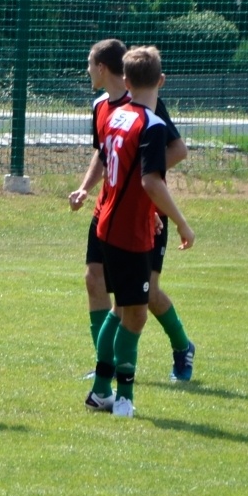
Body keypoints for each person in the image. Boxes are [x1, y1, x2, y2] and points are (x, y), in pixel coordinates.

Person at [70, 39, 197, 381]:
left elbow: (177, 150)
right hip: (108, 211)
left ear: (103, 68)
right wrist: (86, 187)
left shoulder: (147, 106)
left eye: (88, 63)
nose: (86, 70)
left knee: (143, 296)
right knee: (94, 279)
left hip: (144, 214)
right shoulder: (101, 107)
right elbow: (103, 152)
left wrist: (143, 184)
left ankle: (182, 346)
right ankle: (104, 365)